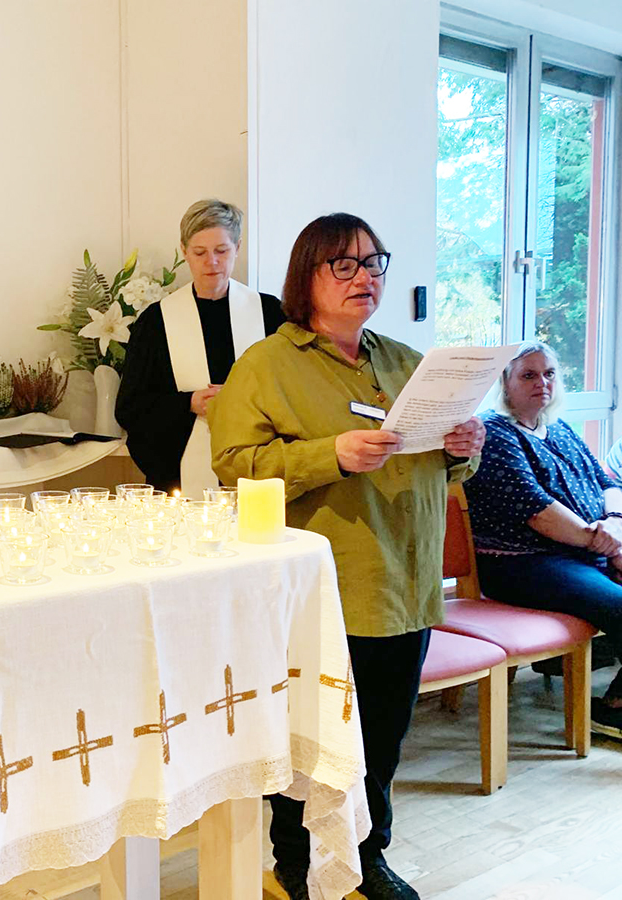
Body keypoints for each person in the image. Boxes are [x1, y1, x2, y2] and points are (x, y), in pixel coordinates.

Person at [210, 213, 484, 900]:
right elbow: (233, 466)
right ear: (307, 277)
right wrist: (328, 454)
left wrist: (463, 450)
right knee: (314, 740)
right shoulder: (267, 365)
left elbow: (446, 472)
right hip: (326, 585)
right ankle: (298, 862)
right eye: (346, 265)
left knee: (384, 740)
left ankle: (368, 856)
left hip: (407, 578)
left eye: (375, 263)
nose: (367, 277)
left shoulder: (402, 361)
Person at [463, 341, 622, 737]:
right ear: (505, 382)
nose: (542, 383)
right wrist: (604, 543)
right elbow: (536, 510)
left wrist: (616, 523)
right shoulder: (495, 434)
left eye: (549, 374)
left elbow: (606, 481)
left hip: (586, 550)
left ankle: (611, 695)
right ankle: (612, 711)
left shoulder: (559, 428)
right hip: (523, 562)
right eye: (529, 375)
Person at [115, 199, 285, 497]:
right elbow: (131, 407)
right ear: (184, 251)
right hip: (179, 474)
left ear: (238, 247)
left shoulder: (270, 313)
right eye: (200, 252)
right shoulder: (156, 322)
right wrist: (190, 403)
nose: (212, 262)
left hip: (261, 469)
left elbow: (292, 390)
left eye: (222, 250)